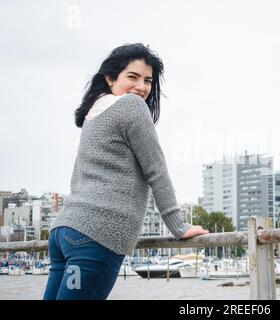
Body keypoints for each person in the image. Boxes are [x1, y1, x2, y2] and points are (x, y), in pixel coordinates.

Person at [43, 43, 209, 300]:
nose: (141, 87)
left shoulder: (93, 112)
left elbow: (77, 177)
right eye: (132, 77)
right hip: (97, 233)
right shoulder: (131, 106)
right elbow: (156, 169)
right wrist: (177, 225)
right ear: (110, 77)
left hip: (63, 232)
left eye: (148, 80)